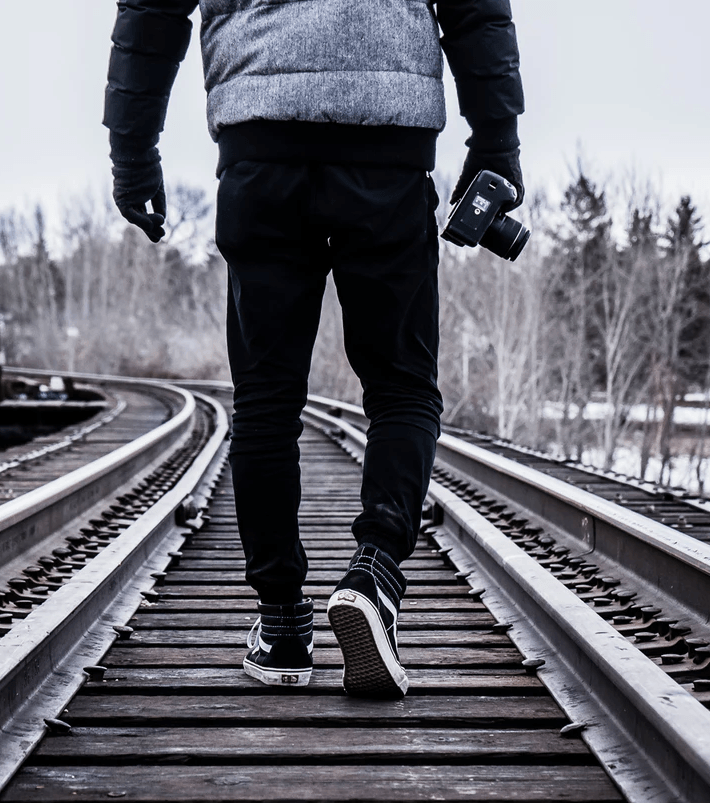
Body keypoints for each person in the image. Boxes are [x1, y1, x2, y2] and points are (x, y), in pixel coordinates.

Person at [105, 0, 524, 698]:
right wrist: (497, 144)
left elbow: (151, 10)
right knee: (401, 387)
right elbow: (477, 10)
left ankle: (281, 627)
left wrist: (133, 156)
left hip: (260, 138)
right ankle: (375, 573)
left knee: (266, 399)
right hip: (388, 141)